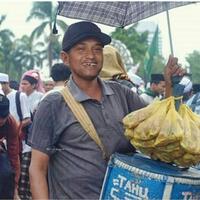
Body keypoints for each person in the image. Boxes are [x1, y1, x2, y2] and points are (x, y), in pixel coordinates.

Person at [28, 21, 184, 199]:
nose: (91, 56)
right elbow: (38, 169)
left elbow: (163, 127)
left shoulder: (121, 94)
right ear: (65, 58)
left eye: (97, 49)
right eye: (81, 49)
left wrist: (171, 86)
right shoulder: (53, 104)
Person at [19, 69, 44, 200]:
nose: (22, 86)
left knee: (31, 171)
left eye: (25, 84)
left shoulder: (40, 97)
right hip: (21, 140)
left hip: (34, 141)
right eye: (21, 83)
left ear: (34, 85)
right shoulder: (19, 97)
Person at [0, 94, 20, 200]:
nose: (1, 121)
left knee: (7, 174)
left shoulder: (11, 123)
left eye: (3, 117)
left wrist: (15, 186)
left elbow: (14, 154)